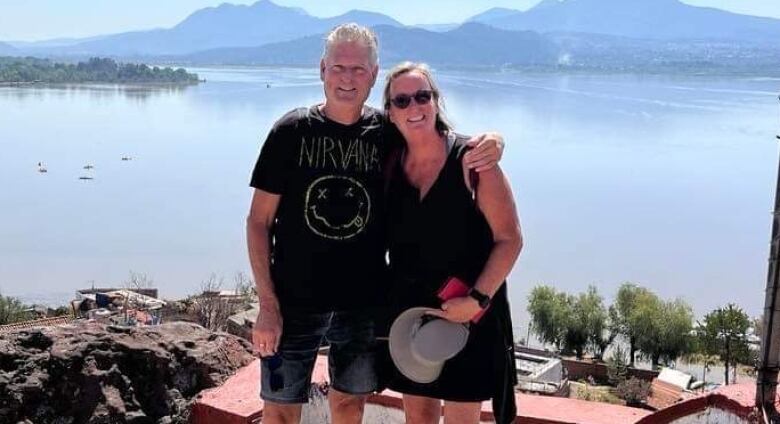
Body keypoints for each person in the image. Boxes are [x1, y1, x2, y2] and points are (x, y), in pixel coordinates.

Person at [246, 24, 504, 424]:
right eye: (338, 67)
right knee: (279, 412)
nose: (347, 78)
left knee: (350, 407)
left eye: (359, 69)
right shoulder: (290, 132)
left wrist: (494, 139)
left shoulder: (387, 132)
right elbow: (258, 222)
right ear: (322, 69)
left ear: (373, 74)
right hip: (294, 301)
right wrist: (267, 306)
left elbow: (435, 138)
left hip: (363, 304)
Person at [381, 62, 523, 424]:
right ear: (390, 112)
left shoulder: (472, 162)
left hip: (468, 311)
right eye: (402, 100)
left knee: (462, 418)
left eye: (422, 96)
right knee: (419, 417)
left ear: (435, 100)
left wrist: (475, 301)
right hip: (411, 313)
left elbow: (510, 239)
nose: (414, 107)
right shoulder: (388, 161)